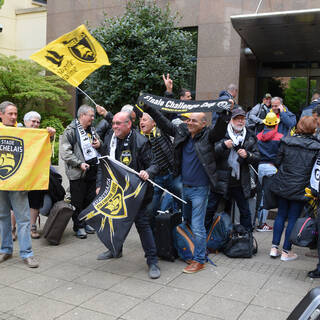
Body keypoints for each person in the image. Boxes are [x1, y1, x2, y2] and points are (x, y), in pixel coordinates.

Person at [143, 103, 231, 274]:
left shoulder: (208, 136)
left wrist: (225, 112)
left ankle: (199, 260)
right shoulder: (182, 132)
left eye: (194, 121)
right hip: (185, 187)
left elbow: (220, 130)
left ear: (204, 124)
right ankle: (193, 250)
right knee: (188, 222)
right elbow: (163, 123)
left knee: (198, 226)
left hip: (200, 190)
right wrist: (149, 108)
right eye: (188, 120)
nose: (189, 123)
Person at [96, 111, 161, 279]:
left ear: (128, 124)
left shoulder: (140, 141)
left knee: (143, 226)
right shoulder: (110, 138)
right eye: (114, 123)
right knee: (115, 222)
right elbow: (103, 163)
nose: (114, 126)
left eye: (118, 123)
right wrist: (99, 185)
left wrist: (148, 172)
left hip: (137, 194)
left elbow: (155, 164)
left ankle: (152, 261)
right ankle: (115, 250)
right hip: (117, 191)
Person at [270, 116, 320, 261]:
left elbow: (277, 162)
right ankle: (286, 251)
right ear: (313, 129)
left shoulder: (286, 141)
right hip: (300, 187)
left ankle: (274, 248)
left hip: (283, 183)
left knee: (280, 215)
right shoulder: (316, 147)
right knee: (292, 217)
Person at [205, 108, 260, 232]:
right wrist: (223, 146)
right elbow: (210, 154)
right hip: (220, 179)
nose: (240, 121)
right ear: (231, 120)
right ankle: (206, 238)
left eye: (242, 119)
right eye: (237, 119)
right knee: (211, 208)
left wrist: (248, 155)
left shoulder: (250, 135)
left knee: (245, 211)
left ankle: (247, 240)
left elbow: (257, 157)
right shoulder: (221, 132)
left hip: (239, 180)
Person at [0, 101, 39, 268]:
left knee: (23, 219)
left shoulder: (23, 131)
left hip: (19, 183)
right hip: (1, 183)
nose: (14, 117)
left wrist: (49, 134)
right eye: (10, 114)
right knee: (2, 217)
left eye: (16, 114)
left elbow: (37, 139)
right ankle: (5, 250)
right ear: (1, 115)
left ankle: (27, 253)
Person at [61, 104, 101, 239]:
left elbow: (99, 143)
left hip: (92, 170)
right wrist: (79, 163)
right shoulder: (70, 131)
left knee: (89, 199)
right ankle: (78, 226)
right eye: (91, 115)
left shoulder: (92, 130)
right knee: (77, 201)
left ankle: (86, 222)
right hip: (78, 171)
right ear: (82, 115)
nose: (93, 118)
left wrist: (99, 144)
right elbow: (65, 153)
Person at [139, 112, 182, 216]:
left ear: (154, 123)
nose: (141, 122)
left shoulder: (161, 131)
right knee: (151, 209)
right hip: (155, 179)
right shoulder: (140, 138)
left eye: (144, 120)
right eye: (140, 120)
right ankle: (154, 231)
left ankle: (185, 227)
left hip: (171, 175)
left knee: (183, 202)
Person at [24, 111, 56, 238]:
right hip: (20, 175)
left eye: (38, 122)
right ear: (26, 122)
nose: (36, 124)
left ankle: (32, 228)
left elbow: (49, 141)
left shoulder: (41, 134)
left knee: (35, 201)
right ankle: (12, 229)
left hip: (36, 174)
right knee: (14, 203)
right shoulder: (17, 132)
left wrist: (51, 134)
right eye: (33, 121)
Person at [256, 112, 283, 231]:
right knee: (267, 198)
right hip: (272, 168)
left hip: (259, 167)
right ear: (276, 124)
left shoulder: (258, 136)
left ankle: (259, 221)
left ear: (266, 123)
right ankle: (262, 224)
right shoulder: (280, 137)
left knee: (260, 195)